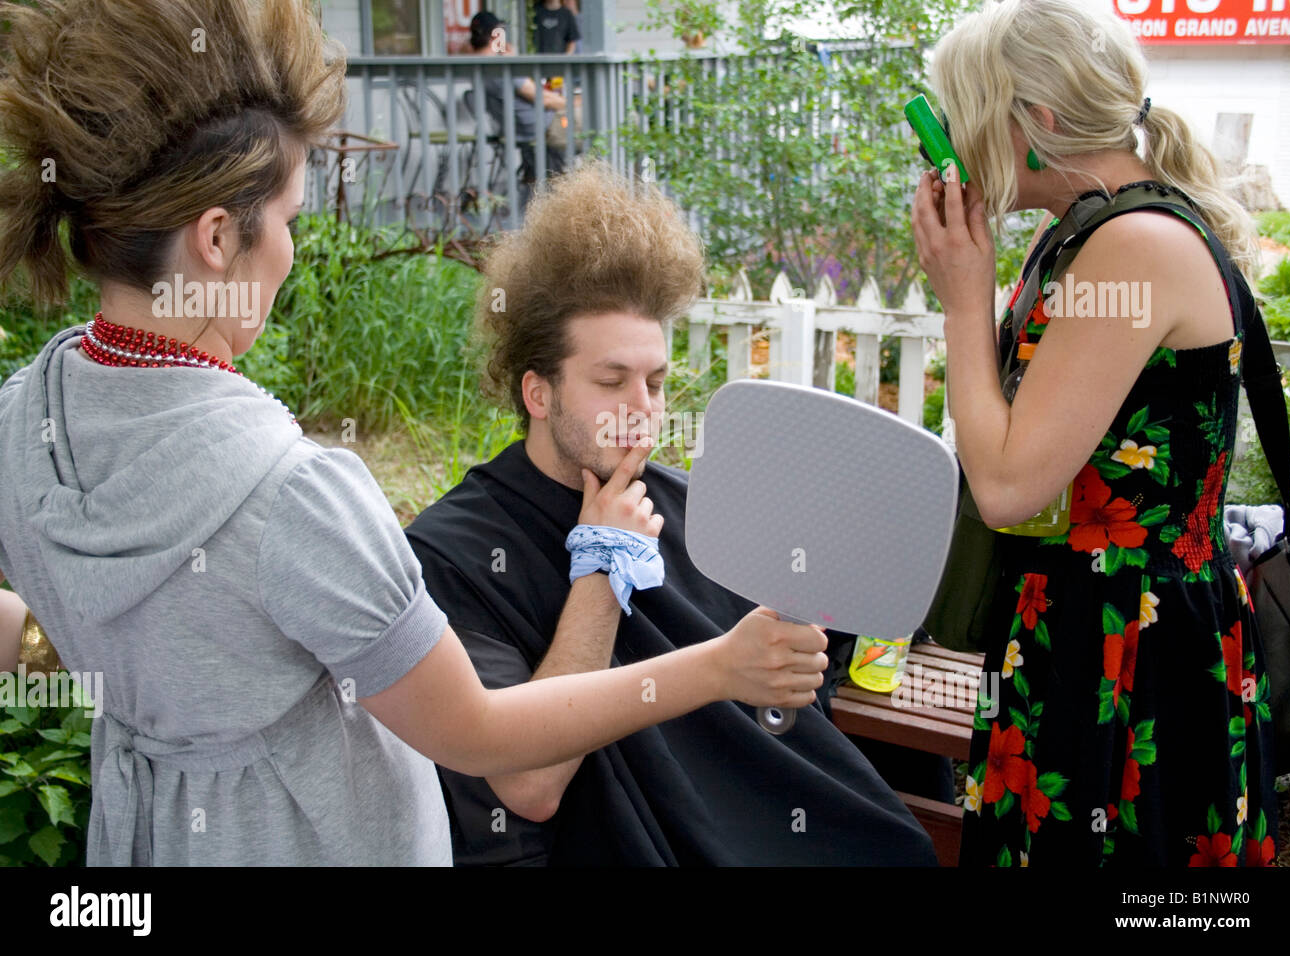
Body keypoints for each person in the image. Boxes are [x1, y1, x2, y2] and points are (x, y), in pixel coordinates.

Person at [0, 0, 828, 866]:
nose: (289, 246)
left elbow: (106, 618)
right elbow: (478, 734)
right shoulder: (293, 495)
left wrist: (94, 647)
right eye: (286, 218)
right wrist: (717, 668)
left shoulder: (26, 417)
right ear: (216, 237)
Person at [404, 163, 940, 866]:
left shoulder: (706, 505)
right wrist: (600, 571)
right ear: (538, 393)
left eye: (655, 382)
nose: (643, 409)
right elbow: (528, 785)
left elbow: (823, 652)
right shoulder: (455, 553)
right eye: (610, 380)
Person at [911, 0, 1278, 866]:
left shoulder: (1134, 245)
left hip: (1131, 645)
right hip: (1074, 622)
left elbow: (1006, 487)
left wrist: (966, 300)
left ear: (1035, 121)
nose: (949, 148)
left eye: (962, 119)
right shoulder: (1075, 236)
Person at [469, 11, 568, 183]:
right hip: (537, 125)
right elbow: (542, 98)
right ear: (495, 35)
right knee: (585, 120)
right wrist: (568, 103)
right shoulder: (501, 67)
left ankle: (541, 177)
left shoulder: (474, 66)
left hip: (515, 126)